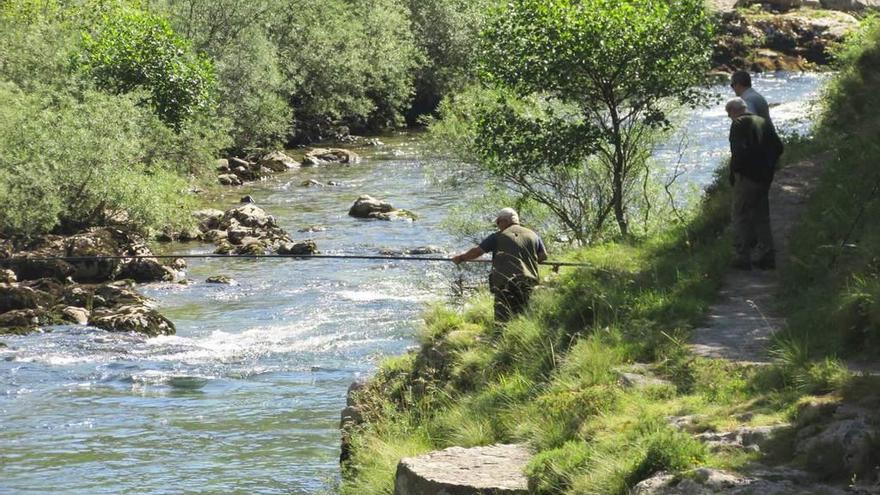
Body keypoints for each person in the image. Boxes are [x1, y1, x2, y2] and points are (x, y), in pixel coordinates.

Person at [452, 208, 547, 323]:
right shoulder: (533, 235)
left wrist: (461, 258)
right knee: (524, 315)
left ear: (505, 221)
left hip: (505, 284)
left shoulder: (497, 236)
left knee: (502, 320)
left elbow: (477, 252)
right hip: (528, 282)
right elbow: (543, 256)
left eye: (498, 222)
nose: (498, 226)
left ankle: (501, 337)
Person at [726, 97, 784, 270]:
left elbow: (738, 151)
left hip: (747, 177)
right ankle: (768, 256)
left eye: (728, 114)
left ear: (734, 111)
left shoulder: (738, 124)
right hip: (765, 177)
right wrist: (769, 165)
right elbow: (779, 147)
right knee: (761, 216)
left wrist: (736, 171)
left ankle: (742, 256)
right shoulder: (762, 121)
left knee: (740, 215)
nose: (729, 117)